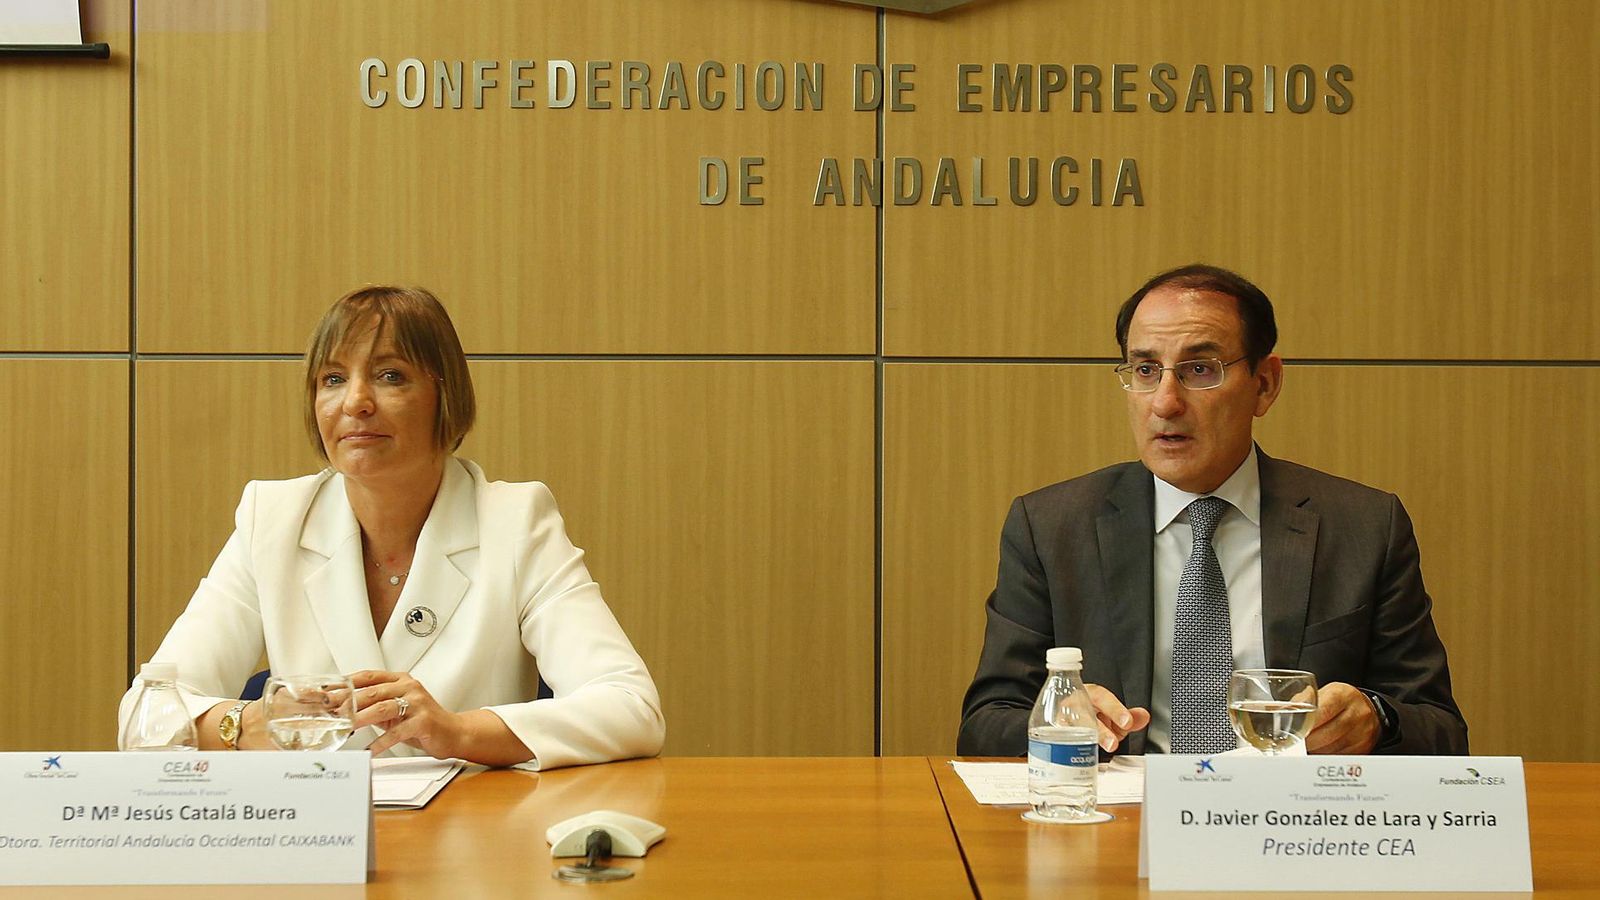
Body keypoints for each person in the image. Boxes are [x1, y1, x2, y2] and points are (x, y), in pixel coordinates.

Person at [117, 286, 665, 769]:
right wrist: (248, 725)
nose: (355, 402)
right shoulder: (274, 518)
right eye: (332, 378)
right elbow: (146, 712)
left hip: (469, 851)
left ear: (442, 396)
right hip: (314, 850)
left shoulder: (515, 522)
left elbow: (630, 707)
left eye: (389, 376)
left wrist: (457, 731)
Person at [957, 264, 1466, 758]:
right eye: (1145, 370)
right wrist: (1060, 715)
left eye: (1200, 369)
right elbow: (987, 722)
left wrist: (1376, 718)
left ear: (1264, 384)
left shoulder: (1362, 526)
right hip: (1122, 822)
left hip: (1288, 826)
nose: (1165, 402)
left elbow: (1440, 727)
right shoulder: (1051, 527)